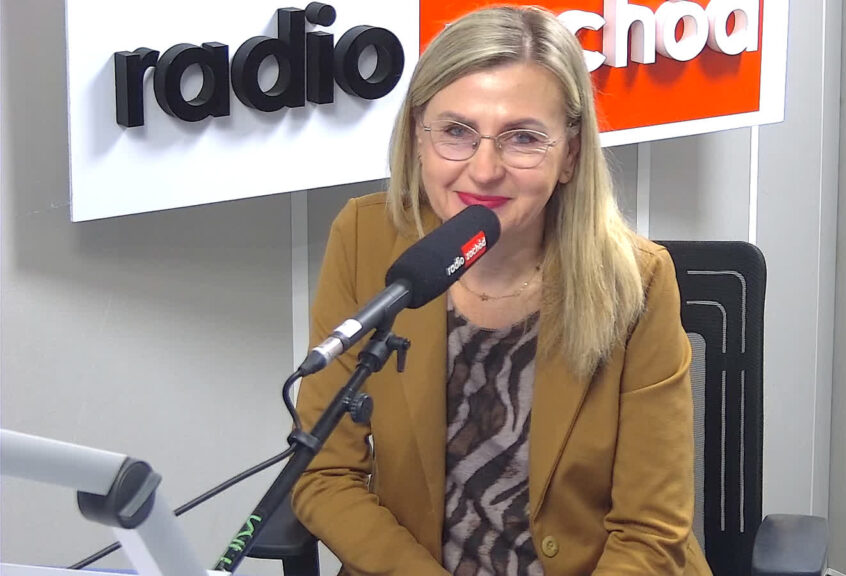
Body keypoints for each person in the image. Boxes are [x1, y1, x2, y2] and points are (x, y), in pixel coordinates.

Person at [292, 6, 711, 575]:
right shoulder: (366, 240)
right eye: (456, 132)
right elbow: (324, 472)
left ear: (570, 155)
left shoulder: (638, 281)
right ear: (417, 138)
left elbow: (650, 530)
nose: (484, 170)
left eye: (523, 138)